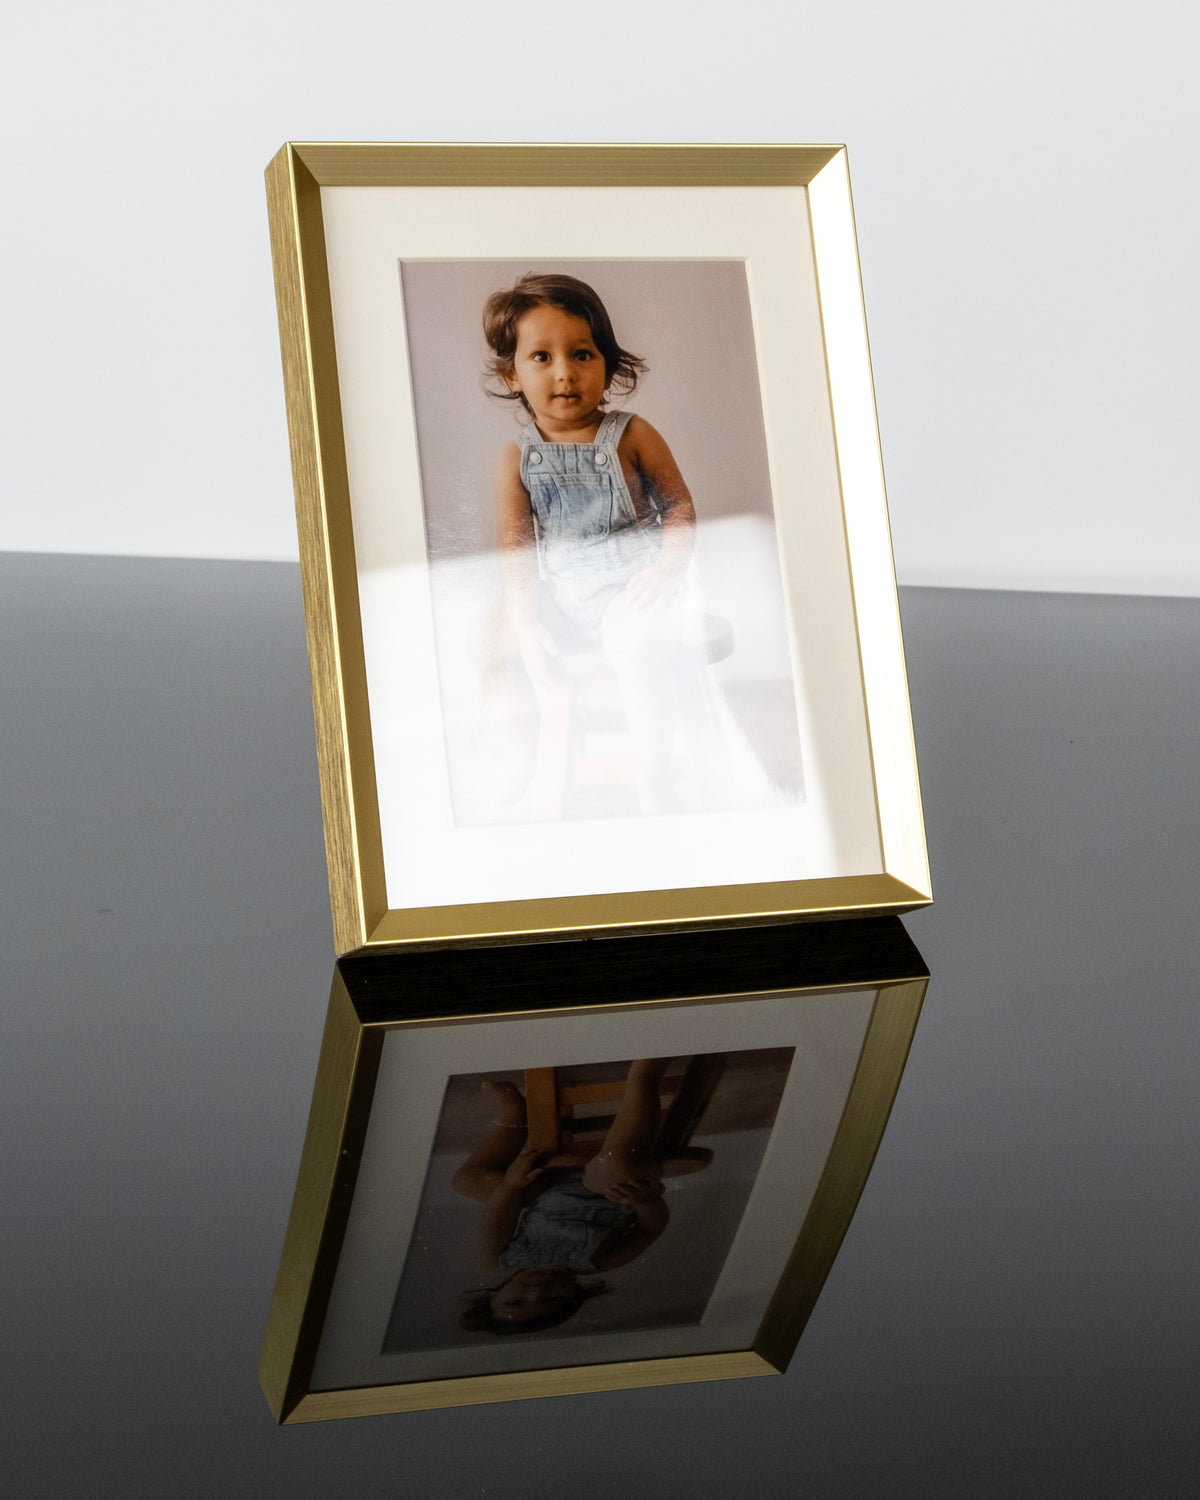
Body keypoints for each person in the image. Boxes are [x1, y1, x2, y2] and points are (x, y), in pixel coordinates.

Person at [482, 273, 698, 816]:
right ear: (512, 374)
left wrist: (666, 572)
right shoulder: (516, 458)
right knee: (487, 637)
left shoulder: (633, 435)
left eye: (582, 354)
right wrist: (526, 618)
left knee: (635, 643)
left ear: (607, 363)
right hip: (562, 595)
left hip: (636, 590)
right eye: (542, 357)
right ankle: (520, 753)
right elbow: (516, 549)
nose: (565, 372)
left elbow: (679, 509)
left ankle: (654, 777)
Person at [452, 1062, 672, 1335]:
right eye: (552, 1299)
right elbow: (651, 1228)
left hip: (547, 1186)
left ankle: (515, 1116)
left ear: (493, 1294)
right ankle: (645, 1077)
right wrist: (643, 1202)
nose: (536, 1291)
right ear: (573, 1296)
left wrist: (511, 1186)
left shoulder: (500, 1258)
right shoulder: (600, 1261)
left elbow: (498, 1218)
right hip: (608, 1186)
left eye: (515, 1301)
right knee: (612, 1170)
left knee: (467, 1181)